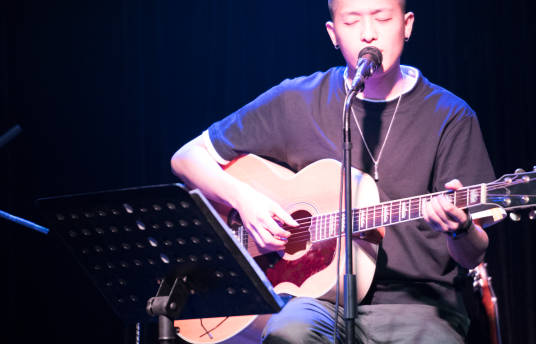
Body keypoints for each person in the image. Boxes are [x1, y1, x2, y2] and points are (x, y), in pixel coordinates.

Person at [171, 0, 495, 342]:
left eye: (382, 18)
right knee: (288, 334)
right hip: (316, 302)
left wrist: (459, 230)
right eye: (352, 21)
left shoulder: (450, 116)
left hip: (418, 304)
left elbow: (473, 252)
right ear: (333, 34)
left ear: (407, 24)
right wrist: (245, 200)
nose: (368, 33)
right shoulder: (297, 100)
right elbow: (186, 158)